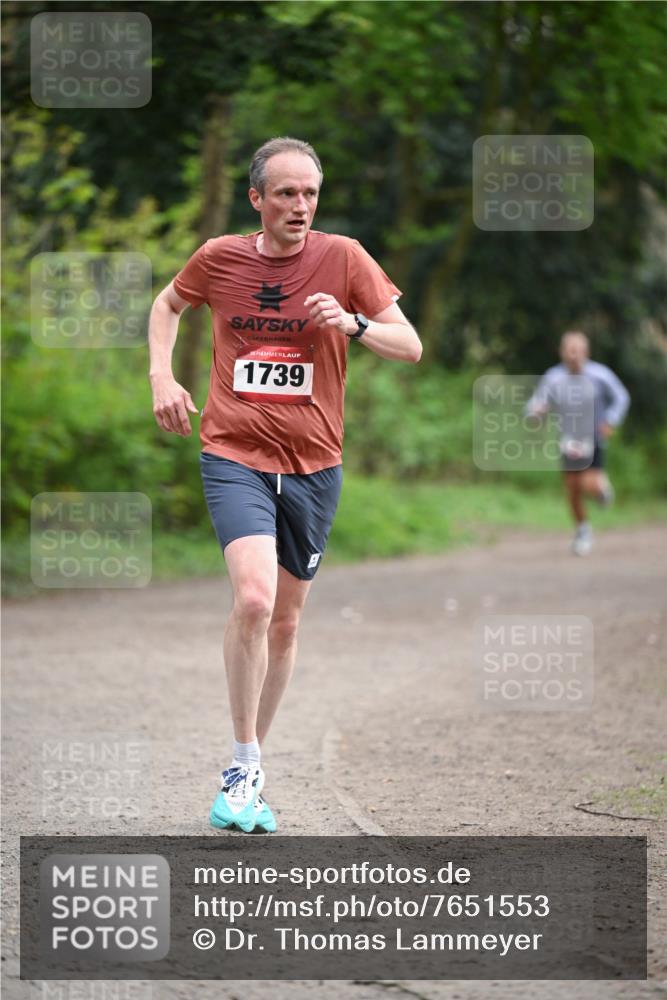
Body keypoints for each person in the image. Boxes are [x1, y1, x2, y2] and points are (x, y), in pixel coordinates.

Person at [148, 136, 422, 832]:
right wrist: (162, 375)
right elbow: (167, 306)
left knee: (287, 619)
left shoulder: (344, 257)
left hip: (315, 465)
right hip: (233, 450)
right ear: (257, 199)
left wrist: (354, 323)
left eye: (309, 194)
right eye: (286, 193)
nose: (299, 206)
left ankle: (255, 760)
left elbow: (410, 344)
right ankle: (241, 765)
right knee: (252, 600)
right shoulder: (219, 257)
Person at [527, 331, 630, 556]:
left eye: (578, 350)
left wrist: (610, 420)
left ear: (586, 352)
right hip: (568, 439)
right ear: (562, 352)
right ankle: (583, 530)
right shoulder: (553, 377)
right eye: (569, 349)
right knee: (573, 489)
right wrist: (536, 413)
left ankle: (601, 489)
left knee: (588, 485)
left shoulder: (600, 375)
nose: (573, 354)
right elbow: (536, 403)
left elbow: (622, 397)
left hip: (593, 436)